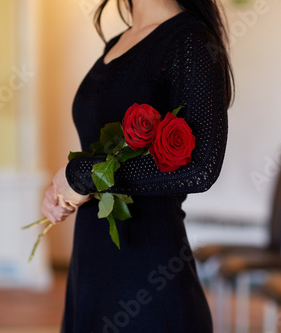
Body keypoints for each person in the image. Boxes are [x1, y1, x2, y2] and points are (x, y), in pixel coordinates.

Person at [42, 0, 234, 331]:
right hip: (90, 270)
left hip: (147, 277)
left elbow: (202, 166)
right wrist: (64, 188)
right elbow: (96, 152)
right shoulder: (117, 42)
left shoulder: (192, 42)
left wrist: (81, 175)